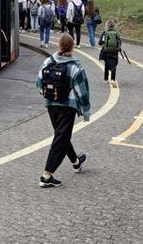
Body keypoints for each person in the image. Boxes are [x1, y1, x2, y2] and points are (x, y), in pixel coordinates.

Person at [36, 34, 91, 188]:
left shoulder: (48, 61)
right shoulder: (75, 67)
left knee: (61, 135)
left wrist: (46, 95)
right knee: (61, 137)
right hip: (67, 106)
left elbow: (39, 82)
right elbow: (83, 91)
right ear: (72, 47)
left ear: (59, 46)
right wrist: (86, 110)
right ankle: (47, 175)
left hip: (50, 104)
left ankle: (76, 162)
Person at [99, 19, 121, 87]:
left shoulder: (105, 33)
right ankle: (113, 79)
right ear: (114, 26)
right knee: (114, 65)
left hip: (106, 52)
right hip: (115, 52)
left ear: (107, 25)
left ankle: (106, 78)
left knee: (107, 64)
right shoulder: (116, 33)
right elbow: (120, 42)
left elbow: (100, 42)